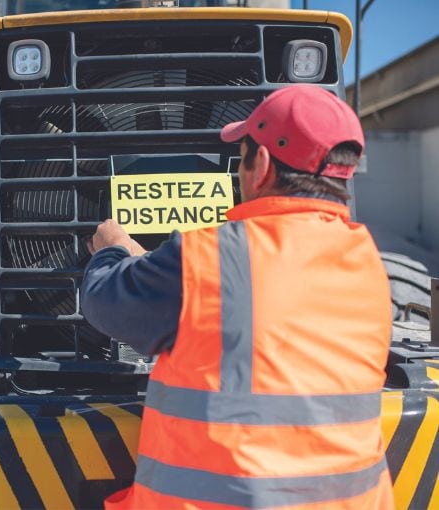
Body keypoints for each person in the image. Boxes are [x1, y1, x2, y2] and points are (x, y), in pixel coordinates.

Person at [81, 85, 394, 509]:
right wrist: (161, 267)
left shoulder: (209, 257)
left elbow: (104, 300)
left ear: (260, 165)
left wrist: (113, 250)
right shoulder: (367, 264)